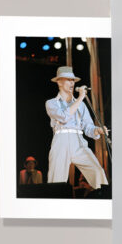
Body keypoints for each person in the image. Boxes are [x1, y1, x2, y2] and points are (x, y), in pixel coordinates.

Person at [44, 64, 106, 192]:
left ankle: (104, 200)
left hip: (78, 141)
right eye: (68, 80)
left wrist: (97, 130)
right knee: (57, 181)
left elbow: (88, 126)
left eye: (73, 80)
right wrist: (80, 98)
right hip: (61, 141)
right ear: (59, 82)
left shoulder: (81, 105)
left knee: (97, 171)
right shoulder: (51, 103)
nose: (72, 83)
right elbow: (64, 117)